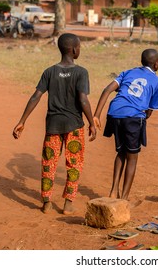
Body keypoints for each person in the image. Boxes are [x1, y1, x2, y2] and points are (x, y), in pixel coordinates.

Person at [12, 33, 96, 214]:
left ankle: (47, 202)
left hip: (53, 126)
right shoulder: (81, 72)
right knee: (74, 164)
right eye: (79, 47)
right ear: (74, 50)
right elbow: (83, 100)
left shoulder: (49, 72)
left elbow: (36, 96)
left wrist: (22, 121)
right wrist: (92, 122)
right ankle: (68, 204)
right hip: (74, 126)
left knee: (48, 163)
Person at [93, 49, 158, 200]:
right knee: (132, 157)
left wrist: (97, 115)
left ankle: (113, 191)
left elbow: (107, 90)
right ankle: (124, 198)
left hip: (114, 113)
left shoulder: (128, 73)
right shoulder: (156, 82)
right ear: (157, 64)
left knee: (121, 152)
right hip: (133, 117)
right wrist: (142, 117)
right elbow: (150, 110)